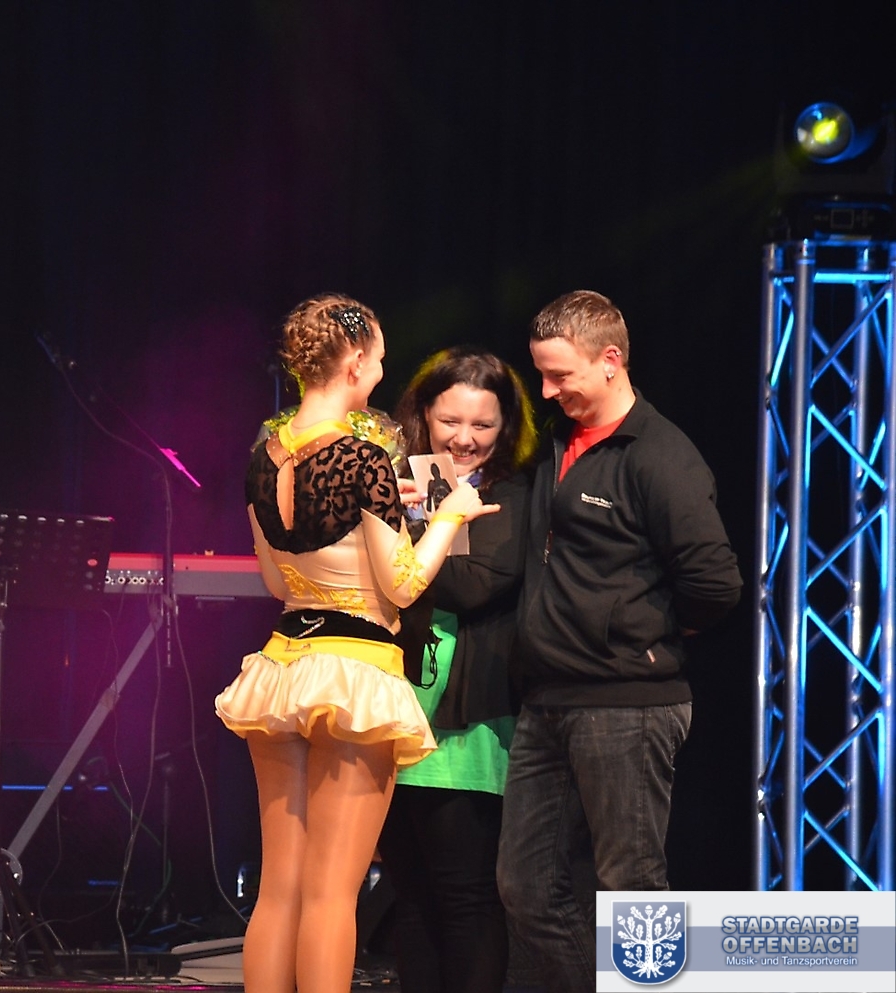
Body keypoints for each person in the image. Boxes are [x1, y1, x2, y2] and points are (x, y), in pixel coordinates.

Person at [215, 294, 497, 993]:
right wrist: (450, 515)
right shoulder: (364, 455)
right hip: (355, 669)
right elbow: (402, 584)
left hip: (284, 663)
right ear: (354, 363)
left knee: (280, 888)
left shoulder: (264, 456)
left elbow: (275, 579)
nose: (380, 370)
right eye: (377, 358)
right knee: (331, 892)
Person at [496, 291, 741, 993]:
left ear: (610, 360)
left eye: (560, 375)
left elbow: (716, 584)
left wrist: (642, 633)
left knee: (631, 889)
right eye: (541, 374)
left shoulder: (660, 455)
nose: (547, 391)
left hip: (627, 702)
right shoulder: (556, 441)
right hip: (549, 699)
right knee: (525, 887)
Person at [368, 347, 538, 993]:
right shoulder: (400, 482)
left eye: (483, 424)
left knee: (465, 895)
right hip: (391, 713)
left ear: (506, 426)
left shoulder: (512, 493)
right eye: (450, 421)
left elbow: (469, 585)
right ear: (423, 415)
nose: (465, 438)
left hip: (464, 728)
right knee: (410, 896)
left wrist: (418, 524)